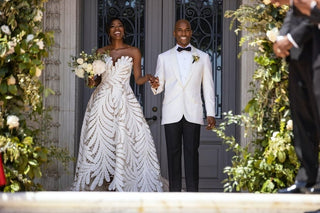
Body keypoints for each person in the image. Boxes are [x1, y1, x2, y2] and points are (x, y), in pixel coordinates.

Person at [72, 18, 163, 192]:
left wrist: (150, 77)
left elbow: (138, 79)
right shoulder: (100, 52)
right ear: (108, 31)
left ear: (124, 30)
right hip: (101, 101)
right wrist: (90, 78)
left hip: (124, 99)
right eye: (113, 26)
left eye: (119, 25)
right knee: (101, 139)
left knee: (125, 138)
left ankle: (123, 181)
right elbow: (95, 82)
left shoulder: (134, 51)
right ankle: (102, 183)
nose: (117, 29)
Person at [150, 19, 216, 192]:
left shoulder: (203, 57)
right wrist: (155, 84)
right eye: (180, 30)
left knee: (192, 153)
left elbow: (208, 87)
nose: (184, 33)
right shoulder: (163, 58)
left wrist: (211, 113)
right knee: (173, 154)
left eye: (187, 30)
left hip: (193, 112)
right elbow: (159, 86)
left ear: (191, 32)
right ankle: (174, 194)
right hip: (172, 112)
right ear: (174, 33)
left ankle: (193, 193)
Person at [271, 7, 320, 193]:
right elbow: (293, 14)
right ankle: (306, 180)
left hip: (315, 53)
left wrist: (291, 40)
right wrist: (280, 39)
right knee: (302, 122)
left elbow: (314, 14)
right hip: (297, 59)